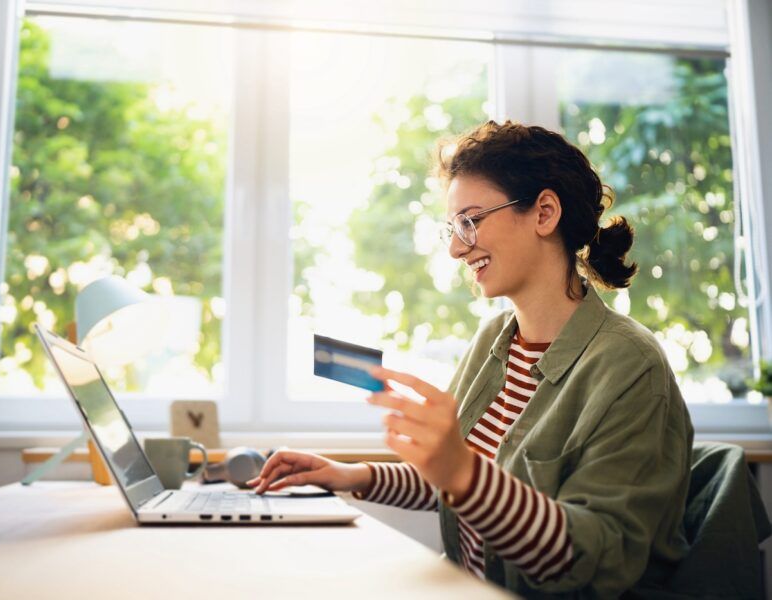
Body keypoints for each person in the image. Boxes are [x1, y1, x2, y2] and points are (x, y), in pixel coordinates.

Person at [247, 120, 693, 597]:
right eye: (452, 228)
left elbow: (596, 556)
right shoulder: (494, 340)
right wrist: (351, 475)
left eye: (470, 221)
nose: (457, 248)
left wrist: (463, 474)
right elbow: (460, 477)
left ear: (544, 213)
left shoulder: (631, 366)